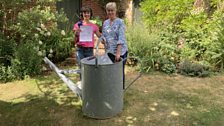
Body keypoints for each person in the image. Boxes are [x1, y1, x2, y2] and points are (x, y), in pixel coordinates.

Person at [101, 2, 128, 89]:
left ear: (115, 10)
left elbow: (121, 38)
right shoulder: (105, 23)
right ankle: (112, 89)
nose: (110, 12)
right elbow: (103, 35)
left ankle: (120, 91)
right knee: (110, 71)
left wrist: (118, 53)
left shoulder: (120, 22)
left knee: (119, 72)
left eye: (112, 10)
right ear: (106, 11)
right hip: (109, 51)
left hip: (120, 52)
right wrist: (103, 40)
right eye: (108, 10)